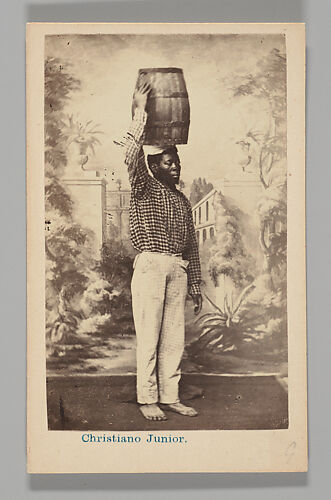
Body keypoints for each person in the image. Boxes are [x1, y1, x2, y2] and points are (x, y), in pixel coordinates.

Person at [116, 82, 202, 421]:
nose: (175, 168)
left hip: (177, 269)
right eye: (168, 162)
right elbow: (130, 155)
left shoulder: (183, 201)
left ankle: (170, 396)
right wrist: (140, 113)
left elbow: (192, 247)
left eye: (177, 162)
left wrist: (195, 284)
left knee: (173, 339)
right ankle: (147, 398)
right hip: (151, 266)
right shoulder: (143, 186)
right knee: (149, 334)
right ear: (154, 166)